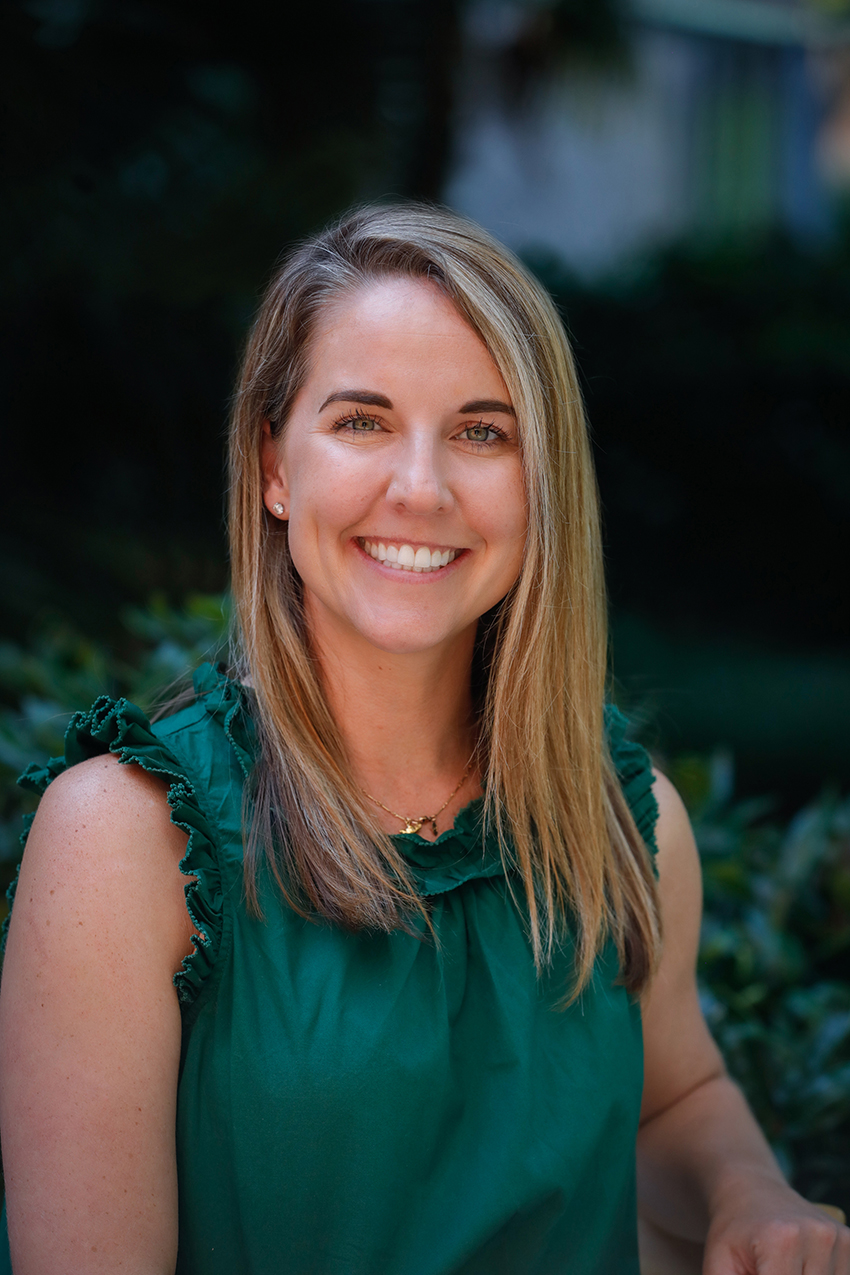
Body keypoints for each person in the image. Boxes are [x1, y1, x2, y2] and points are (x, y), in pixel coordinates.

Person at [0, 204, 846, 1275]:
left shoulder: (625, 825)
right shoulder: (125, 846)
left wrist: (748, 1194)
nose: (421, 488)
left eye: (481, 432)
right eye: (361, 421)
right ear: (271, 464)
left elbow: (675, 1096)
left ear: (541, 486)